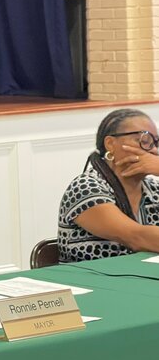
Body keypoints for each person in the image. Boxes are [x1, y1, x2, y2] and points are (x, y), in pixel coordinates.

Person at [58, 108, 159, 262]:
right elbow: (137, 238)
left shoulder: (153, 190)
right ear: (110, 144)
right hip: (91, 281)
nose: (154, 150)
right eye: (145, 141)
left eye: (156, 143)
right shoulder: (86, 187)